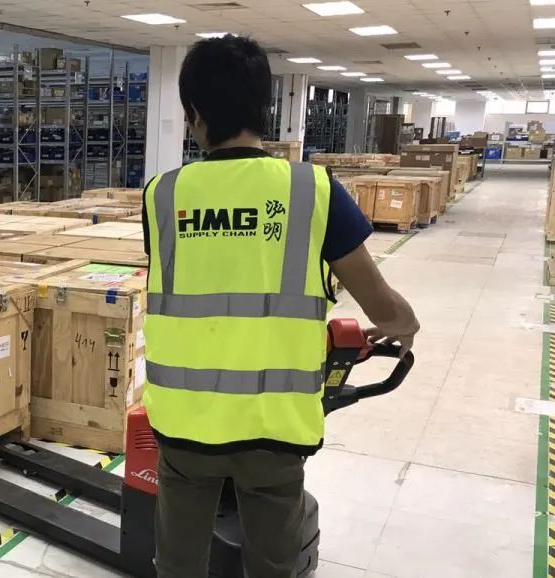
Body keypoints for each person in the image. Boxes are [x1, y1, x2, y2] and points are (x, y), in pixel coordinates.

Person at [141, 35, 420, 578]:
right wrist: (402, 323)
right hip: (274, 427)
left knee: (177, 562)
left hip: (185, 424)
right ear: (264, 108)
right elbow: (379, 302)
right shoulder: (313, 190)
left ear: (193, 113)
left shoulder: (162, 196)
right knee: (274, 562)